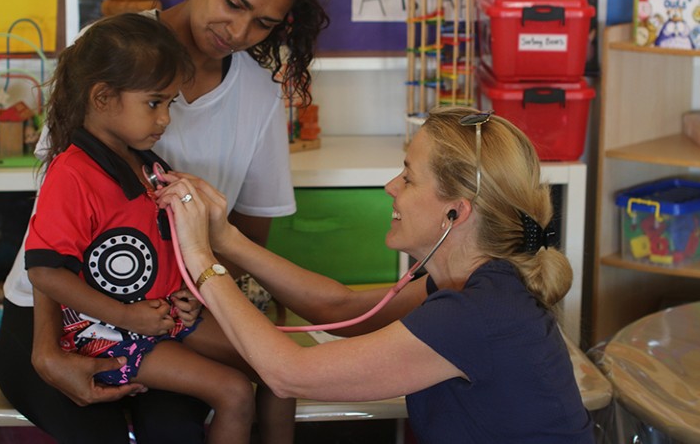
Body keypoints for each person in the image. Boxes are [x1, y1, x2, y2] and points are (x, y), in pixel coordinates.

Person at [0, 0, 329, 444]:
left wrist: (187, 304)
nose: (239, 31)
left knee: (186, 424)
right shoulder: (108, 51)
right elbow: (51, 227)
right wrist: (46, 352)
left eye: (263, 23)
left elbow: (242, 238)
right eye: (234, 2)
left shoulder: (262, 93)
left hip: (165, 321)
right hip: (56, 315)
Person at [157, 106, 596, 444]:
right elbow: (342, 308)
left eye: (408, 177)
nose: (391, 187)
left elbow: (288, 372)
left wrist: (198, 254)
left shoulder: (477, 315)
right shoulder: (477, 283)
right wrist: (229, 239)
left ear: (455, 212)